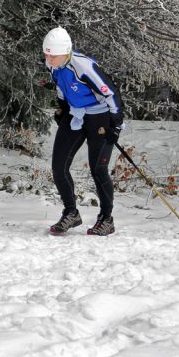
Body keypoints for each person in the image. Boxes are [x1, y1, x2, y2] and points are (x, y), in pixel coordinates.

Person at [43, 26, 124, 236]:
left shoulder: (84, 66)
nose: (49, 60)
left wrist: (115, 124)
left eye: (53, 56)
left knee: (98, 170)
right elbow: (61, 86)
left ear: (66, 51)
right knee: (58, 167)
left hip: (100, 117)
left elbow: (111, 94)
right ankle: (71, 213)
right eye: (47, 54)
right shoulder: (53, 65)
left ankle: (106, 219)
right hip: (75, 114)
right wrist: (62, 107)